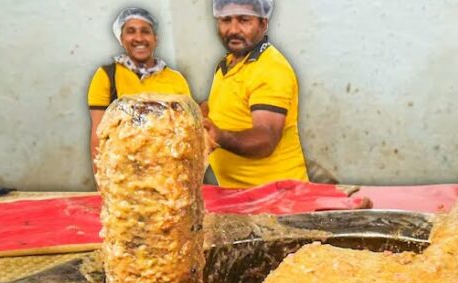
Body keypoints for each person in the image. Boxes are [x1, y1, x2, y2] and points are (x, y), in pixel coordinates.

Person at [203, 0, 308, 188]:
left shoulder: (271, 69)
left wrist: (220, 137)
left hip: (277, 195)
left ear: (263, 23)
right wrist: (195, 112)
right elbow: (228, 107)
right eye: (226, 20)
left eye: (244, 20)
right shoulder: (226, 64)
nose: (233, 29)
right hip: (239, 195)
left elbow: (266, 138)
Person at [88, 7, 192, 161]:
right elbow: (98, 136)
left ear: (155, 39)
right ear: (121, 39)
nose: (139, 38)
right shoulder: (107, 76)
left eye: (145, 31)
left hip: (168, 169)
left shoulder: (176, 79)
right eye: (131, 31)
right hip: (123, 169)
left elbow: (187, 130)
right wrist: (101, 176)